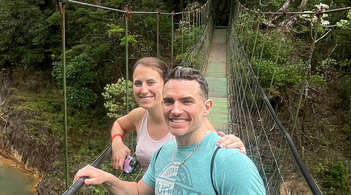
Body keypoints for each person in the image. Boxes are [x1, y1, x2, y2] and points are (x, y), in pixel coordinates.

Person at [78, 66, 266, 195]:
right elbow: (138, 191)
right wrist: (105, 178)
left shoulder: (231, 162)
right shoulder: (163, 153)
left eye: (187, 101)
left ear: (207, 107)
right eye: (169, 102)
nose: (175, 110)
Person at [110, 58, 244, 171]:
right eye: (138, 83)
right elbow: (119, 124)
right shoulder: (139, 116)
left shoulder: (186, 120)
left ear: (166, 84)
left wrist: (236, 150)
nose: (144, 90)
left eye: (151, 82)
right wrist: (117, 143)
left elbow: (218, 150)